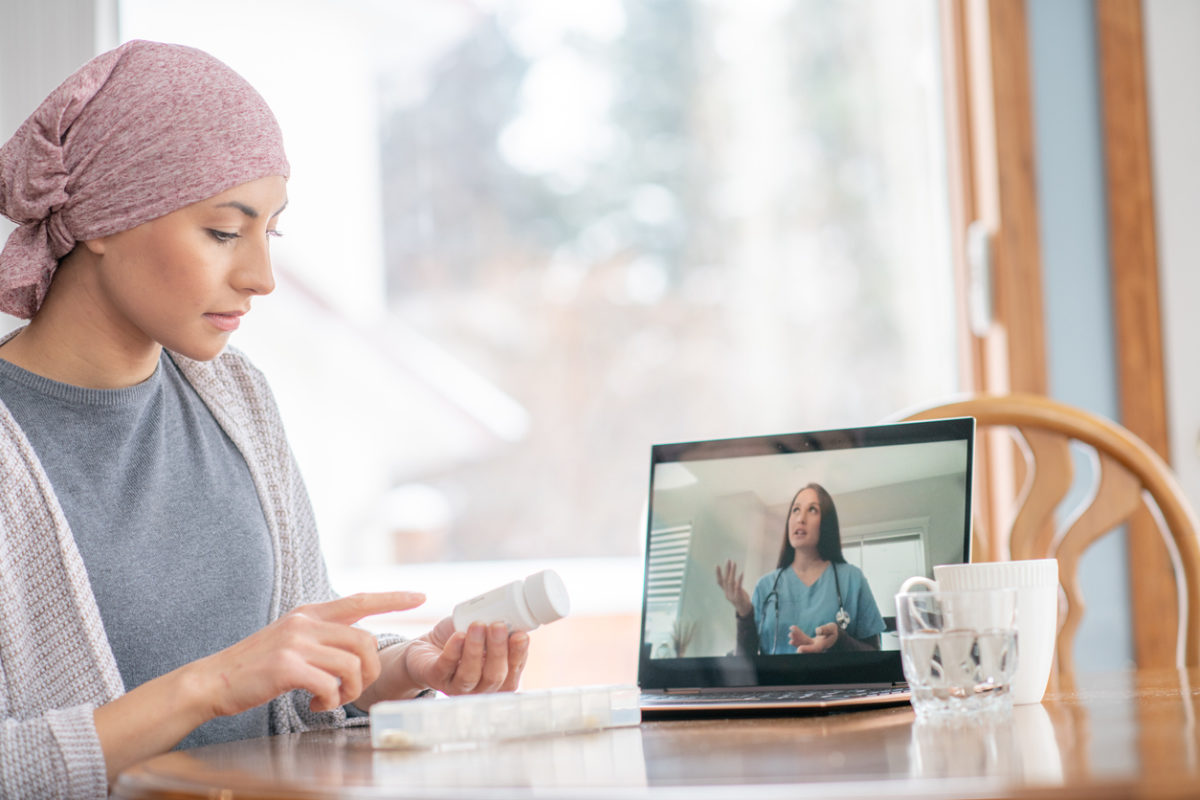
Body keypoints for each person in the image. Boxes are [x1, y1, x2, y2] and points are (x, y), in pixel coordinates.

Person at [0, 40, 528, 797]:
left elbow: (282, 672)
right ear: (103, 218)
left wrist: (400, 668)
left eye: (269, 231)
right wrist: (205, 688)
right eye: (224, 232)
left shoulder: (237, 397)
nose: (261, 276)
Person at [715, 483, 885, 655]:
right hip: (777, 682)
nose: (800, 518)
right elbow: (747, 663)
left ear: (826, 523)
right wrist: (745, 614)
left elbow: (875, 653)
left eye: (812, 510)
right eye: (795, 510)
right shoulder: (766, 586)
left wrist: (838, 640)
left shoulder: (852, 579)